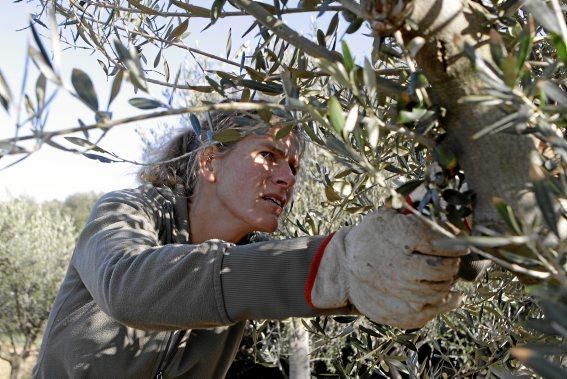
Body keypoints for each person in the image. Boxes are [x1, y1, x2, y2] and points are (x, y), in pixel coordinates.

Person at [33, 109, 466, 378]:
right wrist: (335, 263)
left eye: (293, 166)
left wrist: (446, 246)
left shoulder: (251, 258)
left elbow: (368, 279)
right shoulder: (127, 211)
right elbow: (126, 286)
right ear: (209, 163)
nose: (287, 178)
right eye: (269, 156)